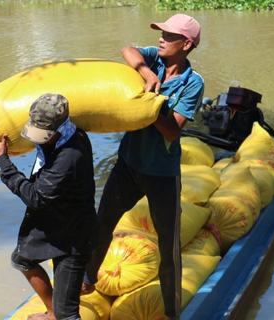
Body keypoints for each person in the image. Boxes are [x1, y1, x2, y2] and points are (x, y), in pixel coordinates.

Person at [81, 14, 204, 320]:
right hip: (128, 165)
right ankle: (86, 282)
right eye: (161, 32)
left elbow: (173, 130)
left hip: (162, 175)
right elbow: (127, 50)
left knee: (169, 247)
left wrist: (150, 103)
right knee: (100, 226)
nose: (161, 38)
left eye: (169, 35)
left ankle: (172, 312)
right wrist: (145, 72)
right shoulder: (155, 58)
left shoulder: (193, 83)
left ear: (186, 44)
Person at [0, 93, 97, 320]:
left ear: (60, 129)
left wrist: (3, 161)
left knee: (68, 314)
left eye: (43, 134)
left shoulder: (69, 157)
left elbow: (34, 197)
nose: (37, 139)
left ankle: (57, 313)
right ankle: (51, 312)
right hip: (56, 223)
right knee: (22, 259)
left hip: (74, 237)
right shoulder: (66, 135)